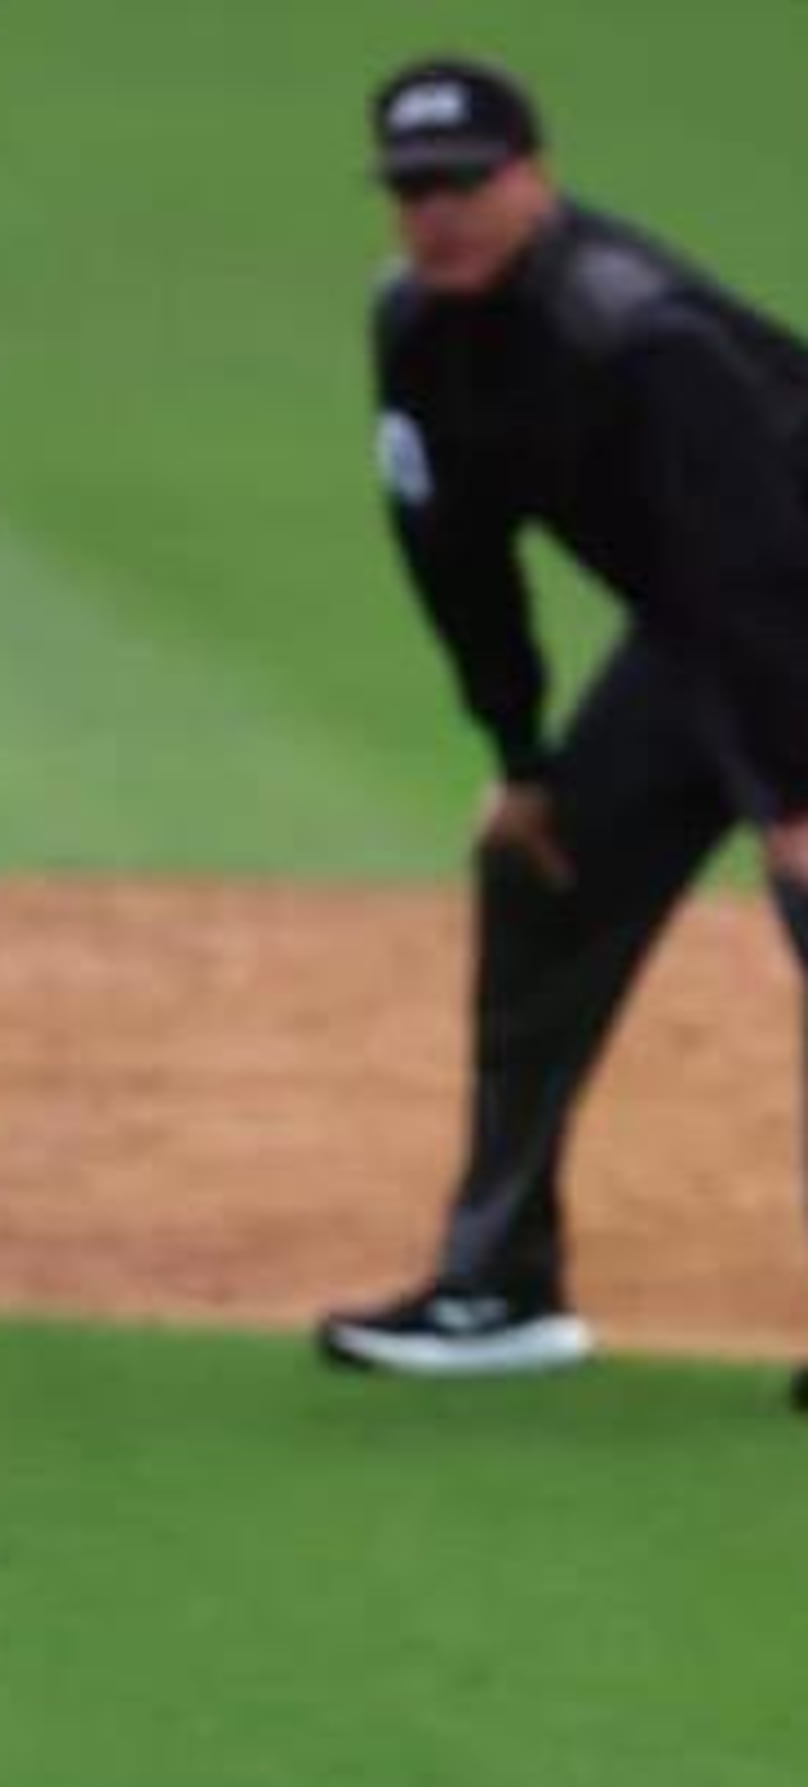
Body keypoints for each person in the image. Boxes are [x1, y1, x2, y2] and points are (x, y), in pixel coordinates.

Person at [317, 56, 808, 1388]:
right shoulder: (418, 328)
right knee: (545, 874)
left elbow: (757, 569)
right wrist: (521, 757)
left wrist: (792, 794)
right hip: (706, 627)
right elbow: (455, 554)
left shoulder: (639, 332)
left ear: (533, 179)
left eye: (466, 184)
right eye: (414, 190)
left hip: (776, 610)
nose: (439, 214)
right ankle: (502, 1284)